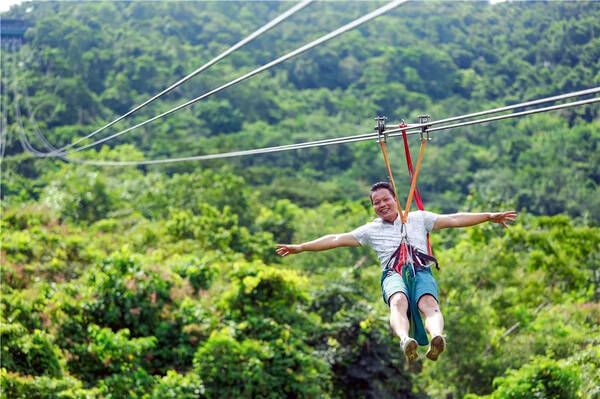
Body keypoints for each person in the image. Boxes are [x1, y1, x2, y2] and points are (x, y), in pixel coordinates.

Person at [276, 181, 517, 362]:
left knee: (428, 303)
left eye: (385, 200)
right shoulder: (371, 230)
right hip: (393, 273)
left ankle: (437, 338)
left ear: (396, 199)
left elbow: (454, 219)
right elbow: (336, 238)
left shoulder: (418, 219)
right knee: (398, 301)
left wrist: (488, 216)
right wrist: (301, 247)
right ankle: (405, 341)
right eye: (376, 203)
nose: (381, 205)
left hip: (421, 270)